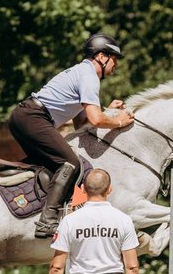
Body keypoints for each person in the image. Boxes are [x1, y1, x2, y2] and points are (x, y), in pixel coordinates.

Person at [8, 32, 135, 239]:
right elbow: (96, 120)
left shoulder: (81, 72)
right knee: (71, 163)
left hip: (25, 117)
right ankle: (47, 221)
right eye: (114, 59)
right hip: (34, 117)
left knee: (51, 163)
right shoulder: (89, 76)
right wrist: (119, 121)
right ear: (101, 57)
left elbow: (83, 123)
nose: (116, 65)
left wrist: (108, 112)